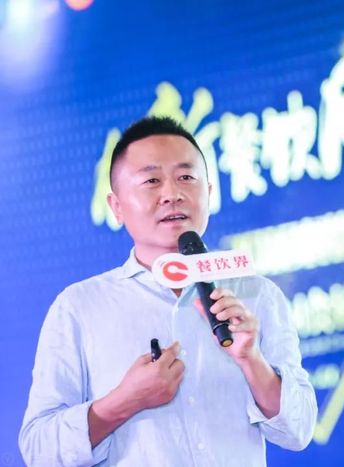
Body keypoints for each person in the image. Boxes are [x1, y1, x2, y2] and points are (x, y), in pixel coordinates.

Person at [18, 116, 317, 466]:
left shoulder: (257, 294)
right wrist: (124, 401)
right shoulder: (79, 307)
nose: (172, 194)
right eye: (151, 181)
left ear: (209, 193)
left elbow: (298, 430)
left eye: (186, 177)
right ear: (116, 207)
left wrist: (252, 360)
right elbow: (39, 450)